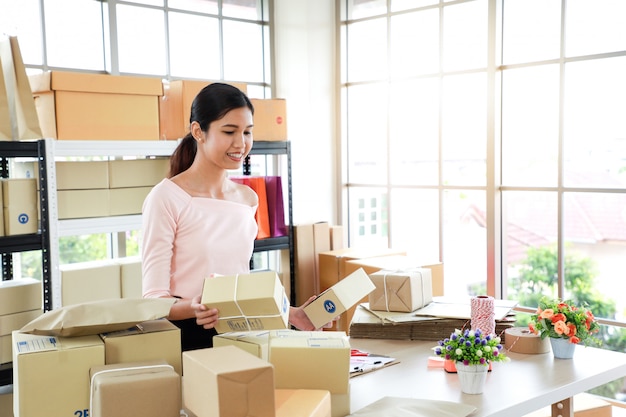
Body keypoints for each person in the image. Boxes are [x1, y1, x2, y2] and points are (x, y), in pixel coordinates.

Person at [141, 83, 319, 351]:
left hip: (241, 332)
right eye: (229, 131)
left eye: (247, 132)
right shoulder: (166, 198)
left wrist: (291, 314)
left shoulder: (248, 199)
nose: (241, 143)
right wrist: (193, 307)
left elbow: (240, 282)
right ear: (198, 131)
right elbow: (153, 299)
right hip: (188, 337)